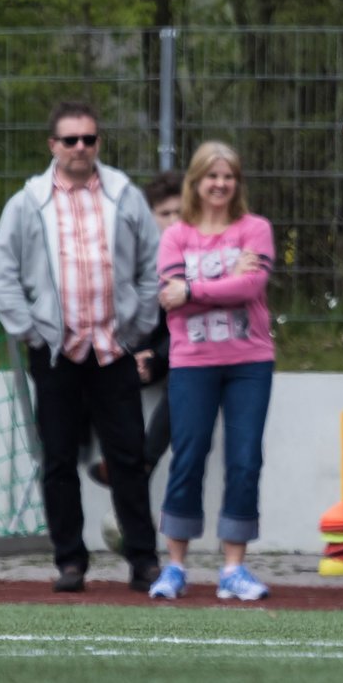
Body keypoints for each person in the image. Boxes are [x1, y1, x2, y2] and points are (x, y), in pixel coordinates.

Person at [0, 100, 161, 593]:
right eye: (70, 140)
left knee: (128, 457)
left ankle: (143, 560)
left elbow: (151, 267)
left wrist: (136, 330)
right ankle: (70, 561)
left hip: (113, 350)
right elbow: (4, 278)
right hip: (55, 353)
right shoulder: (27, 202)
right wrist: (33, 332)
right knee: (59, 459)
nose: (80, 147)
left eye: (88, 139)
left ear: (98, 143)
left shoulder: (125, 195)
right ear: (53, 146)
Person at [146, 141, 276, 603]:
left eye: (228, 177)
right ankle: (176, 566)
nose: (220, 185)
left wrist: (194, 288)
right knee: (188, 457)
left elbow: (252, 284)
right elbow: (168, 295)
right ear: (195, 183)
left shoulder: (255, 228)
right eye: (211, 177)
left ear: (237, 183)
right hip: (192, 363)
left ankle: (233, 570)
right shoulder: (175, 235)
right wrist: (225, 283)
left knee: (244, 462)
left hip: (250, 363)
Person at [88, 169, 183, 492]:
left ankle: (141, 464)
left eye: (180, 213)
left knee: (183, 379)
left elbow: (191, 321)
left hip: (179, 352)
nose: (173, 221)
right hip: (139, 348)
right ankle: (118, 459)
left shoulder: (198, 253)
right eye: (165, 213)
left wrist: (156, 357)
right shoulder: (134, 254)